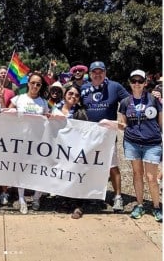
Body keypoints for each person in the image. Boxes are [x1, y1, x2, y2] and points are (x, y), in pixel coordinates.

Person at [81, 61, 129, 212]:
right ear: (90, 74)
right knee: (90, 165)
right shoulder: (84, 88)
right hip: (88, 135)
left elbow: (128, 102)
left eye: (100, 71)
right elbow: (73, 104)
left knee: (112, 166)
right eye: (94, 72)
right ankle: (92, 195)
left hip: (108, 135)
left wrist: (122, 121)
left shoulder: (115, 87)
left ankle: (118, 197)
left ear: (105, 72)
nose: (97, 74)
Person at [118, 70, 162, 222]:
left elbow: (161, 122)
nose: (136, 84)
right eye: (133, 81)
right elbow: (124, 124)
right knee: (137, 174)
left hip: (152, 143)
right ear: (130, 82)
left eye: (140, 81)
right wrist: (117, 125)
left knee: (151, 178)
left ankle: (157, 207)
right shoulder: (125, 102)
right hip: (132, 143)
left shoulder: (153, 99)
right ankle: (140, 205)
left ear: (145, 83)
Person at [8, 72, 49, 214]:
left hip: (38, 142)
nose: (35, 86)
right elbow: (6, 116)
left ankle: (37, 198)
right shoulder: (18, 99)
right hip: (20, 141)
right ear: (28, 83)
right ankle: (21, 199)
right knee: (21, 170)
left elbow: (49, 119)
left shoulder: (43, 102)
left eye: (38, 84)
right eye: (33, 83)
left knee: (39, 171)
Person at [58, 83, 88, 218]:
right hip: (58, 147)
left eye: (76, 95)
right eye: (70, 93)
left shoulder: (81, 111)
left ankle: (78, 205)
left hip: (75, 148)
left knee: (76, 174)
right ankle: (64, 199)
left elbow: (86, 130)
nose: (73, 97)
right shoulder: (55, 108)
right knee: (62, 173)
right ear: (64, 95)